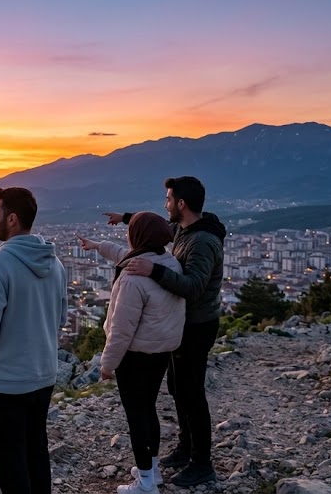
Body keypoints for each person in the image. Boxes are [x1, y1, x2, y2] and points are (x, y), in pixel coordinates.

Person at [104, 176, 226, 487]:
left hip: (198, 326)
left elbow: (195, 288)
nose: (166, 204)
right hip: (182, 324)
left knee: (192, 393)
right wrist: (126, 219)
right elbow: (155, 229)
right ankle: (186, 449)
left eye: (169, 200)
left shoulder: (202, 241)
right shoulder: (185, 229)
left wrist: (153, 270)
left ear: (181, 204)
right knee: (177, 388)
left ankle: (202, 463)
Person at [0, 187, 68, 494]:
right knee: (36, 449)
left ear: (11, 219)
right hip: (44, 374)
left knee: (10, 460)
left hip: (6, 382)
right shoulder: (56, 264)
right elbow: (61, 320)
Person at [78, 212, 185, 493]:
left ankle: (145, 484)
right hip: (161, 350)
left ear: (138, 236)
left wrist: (107, 364)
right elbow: (124, 254)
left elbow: (120, 328)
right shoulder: (167, 262)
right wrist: (97, 245)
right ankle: (153, 470)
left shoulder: (132, 279)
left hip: (135, 356)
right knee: (148, 409)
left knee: (136, 415)